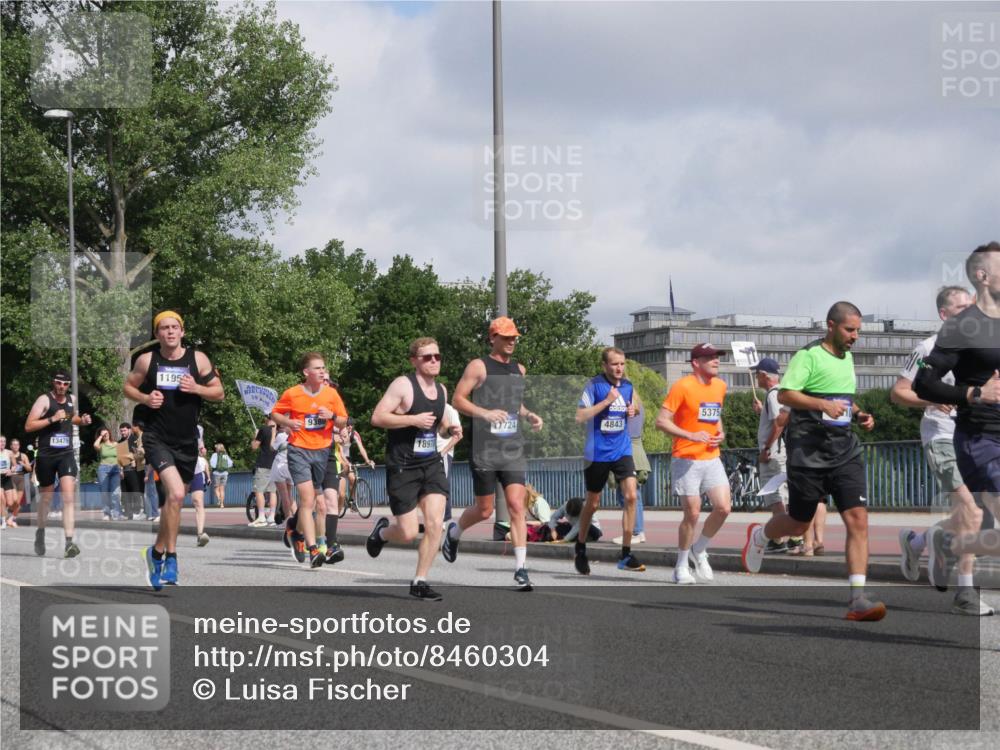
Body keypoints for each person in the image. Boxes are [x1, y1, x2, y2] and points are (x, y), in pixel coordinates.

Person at [742, 302, 885, 622]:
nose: (855, 337)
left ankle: (857, 598)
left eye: (858, 330)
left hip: (845, 451)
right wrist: (822, 403)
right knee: (799, 523)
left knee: (858, 520)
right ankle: (761, 536)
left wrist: (858, 413)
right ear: (831, 326)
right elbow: (787, 395)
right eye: (850, 330)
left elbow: (842, 401)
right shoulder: (808, 356)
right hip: (808, 454)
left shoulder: (847, 358)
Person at [892, 285, 992, 615]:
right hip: (942, 437)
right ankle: (966, 590)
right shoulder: (929, 347)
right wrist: (935, 398)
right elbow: (899, 393)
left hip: (977, 438)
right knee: (973, 512)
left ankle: (921, 541)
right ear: (944, 315)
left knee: (981, 517)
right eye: (961, 309)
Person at [913, 243, 1000, 590]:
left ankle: (946, 542)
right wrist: (973, 393)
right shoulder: (961, 327)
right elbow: (924, 383)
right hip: (982, 438)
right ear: (982, 276)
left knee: (986, 528)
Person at [126, 311, 224, 589]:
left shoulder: (198, 359)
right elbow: (128, 387)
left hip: (187, 441)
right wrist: (146, 397)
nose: (169, 332)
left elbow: (219, 393)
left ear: (182, 331)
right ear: (157, 334)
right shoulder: (147, 360)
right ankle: (171, 557)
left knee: (175, 502)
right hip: (157, 438)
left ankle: (158, 553)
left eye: (174, 327)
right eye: (164, 328)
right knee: (178, 493)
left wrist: (197, 388)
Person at [445, 317, 543, 591]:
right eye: (506, 337)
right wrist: (485, 413)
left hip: (512, 447)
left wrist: (529, 414)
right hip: (485, 449)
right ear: (493, 338)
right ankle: (454, 532)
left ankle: (521, 569)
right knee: (485, 510)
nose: (512, 341)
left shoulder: (518, 369)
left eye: (514, 337)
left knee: (516, 505)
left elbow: (515, 403)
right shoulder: (479, 366)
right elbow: (458, 399)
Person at [367, 337, 463, 600]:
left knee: (435, 524)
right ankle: (383, 533)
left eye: (437, 356)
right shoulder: (402, 385)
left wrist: (450, 428)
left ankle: (420, 580)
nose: (434, 361)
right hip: (403, 466)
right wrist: (412, 419)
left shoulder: (442, 391)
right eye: (427, 357)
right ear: (414, 361)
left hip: (430, 463)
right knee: (408, 532)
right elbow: (377, 417)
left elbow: (434, 423)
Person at [656, 343, 732, 584]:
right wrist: (690, 435)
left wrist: (721, 432)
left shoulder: (720, 386)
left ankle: (700, 549)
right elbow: (661, 421)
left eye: (717, 356)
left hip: (711, 456)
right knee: (693, 513)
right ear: (695, 363)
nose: (716, 360)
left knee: (723, 508)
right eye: (709, 357)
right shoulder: (682, 387)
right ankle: (681, 566)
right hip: (686, 458)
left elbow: (714, 414)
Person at [269, 352, 348, 568]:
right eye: (318, 368)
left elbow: (343, 421)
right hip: (299, 451)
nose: (323, 371)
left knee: (323, 503)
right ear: (306, 372)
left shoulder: (331, 394)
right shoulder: (293, 394)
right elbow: (274, 414)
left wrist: (331, 417)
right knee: (307, 499)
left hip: (323, 452)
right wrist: (288, 421)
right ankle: (314, 549)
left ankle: (297, 531)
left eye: (324, 368)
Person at [573, 346, 644, 574]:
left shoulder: (628, 386)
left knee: (631, 495)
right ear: (605, 366)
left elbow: (635, 409)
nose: (619, 368)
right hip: (597, 452)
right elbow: (579, 416)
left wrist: (632, 410)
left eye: (622, 364)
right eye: (615, 364)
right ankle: (581, 547)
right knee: (593, 504)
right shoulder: (594, 385)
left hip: (621, 449)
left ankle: (625, 553)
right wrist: (606, 402)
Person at [24, 370, 93, 557]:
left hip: (66, 454)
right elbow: (29, 425)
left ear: (69, 385)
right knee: (46, 498)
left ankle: (69, 543)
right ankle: (40, 532)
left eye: (65, 384)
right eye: (58, 383)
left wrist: (83, 421)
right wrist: (52, 419)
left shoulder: (72, 399)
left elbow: (72, 418)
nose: (61, 387)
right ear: (53, 383)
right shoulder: (44, 400)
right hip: (46, 455)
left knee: (68, 497)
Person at [750, 358, 800, 554]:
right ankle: (792, 536)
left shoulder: (773, 395)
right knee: (782, 494)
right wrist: (762, 412)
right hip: (783, 452)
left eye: (757, 375)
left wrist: (766, 449)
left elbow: (779, 423)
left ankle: (780, 538)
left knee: (775, 496)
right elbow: (777, 419)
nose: (756, 379)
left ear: (764, 375)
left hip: (773, 453)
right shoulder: (781, 393)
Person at [613, 400, 649, 545]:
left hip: (625, 451)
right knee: (632, 495)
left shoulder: (625, 407)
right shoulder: (639, 406)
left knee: (628, 495)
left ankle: (635, 531)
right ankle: (637, 531)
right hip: (637, 450)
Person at [436, 403, 462, 522]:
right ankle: (435, 518)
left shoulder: (450, 411)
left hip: (443, 453)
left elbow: (458, 435)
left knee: (442, 485)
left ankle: (444, 519)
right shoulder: (432, 407)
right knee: (432, 487)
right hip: (431, 453)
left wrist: (443, 452)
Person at [249, 418, 277, 526]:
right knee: (272, 492)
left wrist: (255, 436)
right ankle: (271, 517)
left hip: (263, 464)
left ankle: (261, 517)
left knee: (259, 490)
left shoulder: (264, 429)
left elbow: (254, 446)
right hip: (275, 466)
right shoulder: (279, 431)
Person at [94, 427, 124, 521]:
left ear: (109, 434)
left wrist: (121, 470)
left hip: (115, 469)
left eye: (106, 434)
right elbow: (95, 445)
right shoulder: (101, 445)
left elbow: (121, 457)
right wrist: (100, 436)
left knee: (115, 493)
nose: (105, 436)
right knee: (105, 492)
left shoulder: (116, 444)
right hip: (104, 469)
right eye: (103, 435)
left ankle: (116, 513)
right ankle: (107, 513)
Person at [7, 438, 30, 526]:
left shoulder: (23, 456)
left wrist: (24, 464)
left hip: (21, 479)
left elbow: (29, 469)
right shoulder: (7, 454)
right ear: (11, 446)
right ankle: (6, 516)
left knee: (17, 502)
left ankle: (12, 519)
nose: (16, 446)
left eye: (17, 445)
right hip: (10, 478)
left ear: (19, 446)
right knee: (13, 501)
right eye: (14, 445)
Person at [191, 446, 211, 546]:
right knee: (175, 503)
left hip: (196, 472)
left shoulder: (199, 430)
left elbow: (201, 447)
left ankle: (200, 535)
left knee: (198, 501)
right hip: (178, 469)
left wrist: (208, 478)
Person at [210, 443, 233, 508]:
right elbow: (230, 464)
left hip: (216, 473)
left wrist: (216, 467)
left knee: (216, 489)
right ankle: (222, 504)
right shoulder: (225, 455)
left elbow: (212, 464)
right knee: (222, 489)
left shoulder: (214, 455)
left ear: (217, 449)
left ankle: (219, 499)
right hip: (225, 473)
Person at [0, 436, 12, 529]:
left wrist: (10, 470)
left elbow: (15, 465)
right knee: (2, 499)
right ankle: (3, 521)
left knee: (10, 502)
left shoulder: (9, 452)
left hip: (7, 478)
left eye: (4, 441)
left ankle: (3, 511)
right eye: (1, 441)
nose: (2, 443)